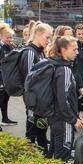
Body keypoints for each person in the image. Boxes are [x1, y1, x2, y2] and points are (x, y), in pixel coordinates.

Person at [48, 36, 83, 161]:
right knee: (63, 156)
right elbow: (63, 100)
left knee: (57, 153)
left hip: (56, 118)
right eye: (74, 50)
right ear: (63, 50)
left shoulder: (54, 64)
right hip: (64, 121)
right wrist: (73, 119)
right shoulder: (64, 70)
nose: (77, 52)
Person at [20, 22, 53, 154]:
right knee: (31, 133)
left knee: (42, 131)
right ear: (38, 35)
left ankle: (45, 157)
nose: (49, 41)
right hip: (33, 101)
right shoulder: (29, 52)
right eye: (47, 37)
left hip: (41, 101)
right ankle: (28, 160)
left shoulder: (40, 52)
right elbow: (28, 79)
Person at [0, 23, 17, 130]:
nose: (10, 39)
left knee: (5, 99)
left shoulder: (10, 46)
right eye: (8, 37)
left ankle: (5, 118)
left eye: (11, 37)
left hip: (7, 79)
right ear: (1, 36)